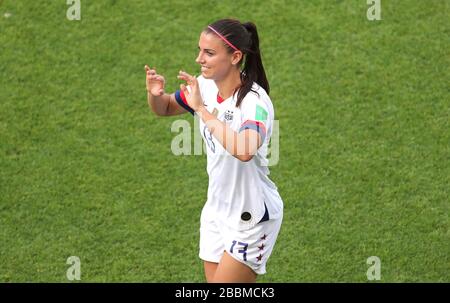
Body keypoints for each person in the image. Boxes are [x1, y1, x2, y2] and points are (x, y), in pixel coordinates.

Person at [144, 18, 283, 283]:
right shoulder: (205, 86)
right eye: (200, 50)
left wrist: (201, 110)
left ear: (235, 57)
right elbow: (163, 108)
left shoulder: (254, 102)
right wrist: (155, 93)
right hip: (217, 210)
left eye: (209, 53)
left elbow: (244, 150)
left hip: (251, 216)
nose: (199, 59)